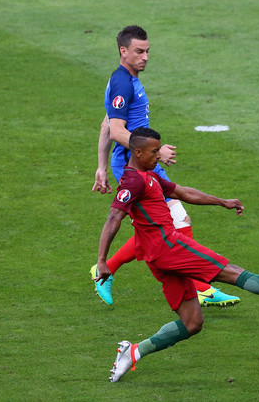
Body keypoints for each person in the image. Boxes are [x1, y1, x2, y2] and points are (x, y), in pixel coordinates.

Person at [94, 127, 259, 383]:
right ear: (138, 152)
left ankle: (134, 352)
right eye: (154, 152)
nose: (159, 155)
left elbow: (183, 193)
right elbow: (113, 217)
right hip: (169, 247)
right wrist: (102, 261)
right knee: (231, 272)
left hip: (158, 257)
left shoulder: (149, 175)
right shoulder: (133, 181)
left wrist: (222, 201)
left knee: (192, 323)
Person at [90, 25, 240, 307]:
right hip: (135, 166)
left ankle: (106, 269)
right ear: (123, 51)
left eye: (147, 51)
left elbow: (106, 124)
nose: (145, 57)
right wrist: (156, 153)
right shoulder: (123, 83)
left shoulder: (125, 80)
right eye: (139, 51)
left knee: (158, 228)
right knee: (176, 222)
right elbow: (117, 130)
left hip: (141, 162)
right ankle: (201, 287)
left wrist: (100, 166)